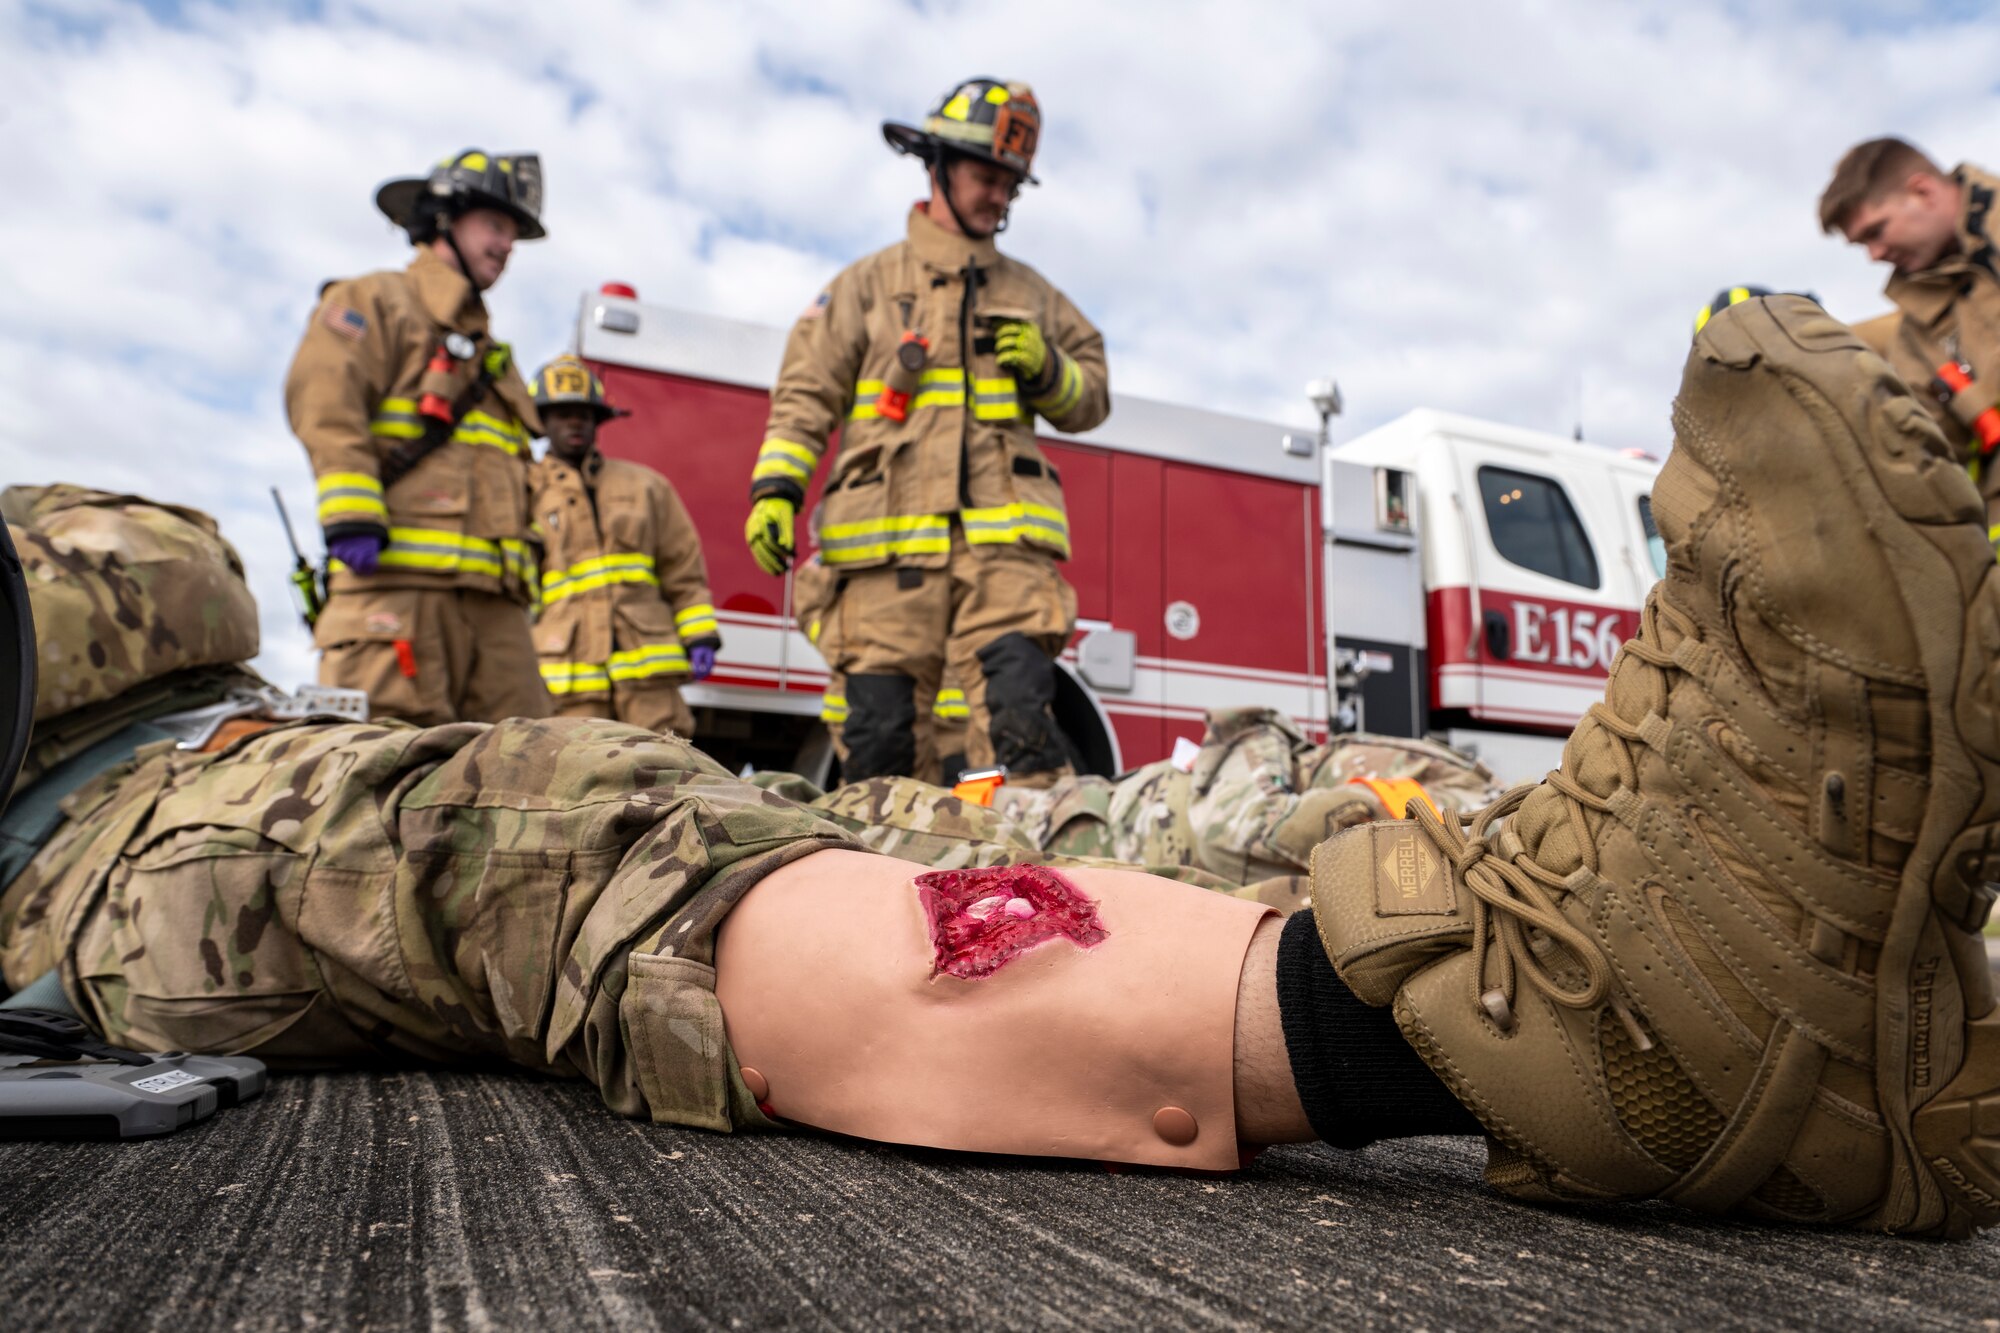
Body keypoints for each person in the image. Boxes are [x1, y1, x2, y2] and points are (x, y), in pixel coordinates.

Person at [5, 297, 2000, 1236]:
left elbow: (169, 561)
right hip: (108, 826)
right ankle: (1598, 1021)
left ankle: (1776, 959)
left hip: (276, 733)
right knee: (551, 860)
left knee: (949, 822)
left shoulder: (949, 325)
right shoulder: (466, 363)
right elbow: (168, 568)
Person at [742, 78, 1110, 788]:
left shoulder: (1034, 296)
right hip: (884, 558)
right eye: (987, 177)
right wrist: (777, 489)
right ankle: (875, 896)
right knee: (878, 749)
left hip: (1004, 558)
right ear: (936, 165)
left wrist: (1049, 367)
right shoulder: (865, 287)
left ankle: (1037, 895)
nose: (1000, 197)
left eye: (1012, 185)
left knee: (1025, 733)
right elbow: (804, 393)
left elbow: (1092, 394)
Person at [285, 149, 551, 725]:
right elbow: (325, 400)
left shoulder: (493, 356)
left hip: (497, 611)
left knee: (526, 783)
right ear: (444, 220)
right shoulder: (374, 301)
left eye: (514, 234)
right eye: (496, 225)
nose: (507, 246)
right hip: (395, 594)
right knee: (382, 786)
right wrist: (351, 509)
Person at [785, 708, 1504, 913]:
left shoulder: (1472, 829)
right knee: (844, 820)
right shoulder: (1474, 805)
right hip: (1082, 816)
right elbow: (1244, 829)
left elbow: (1246, 832)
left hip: (1075, 837)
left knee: (851, 840)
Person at [1820, 138, 2000, 553]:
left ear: (1922, 191)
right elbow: (1932, 455)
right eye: (1862, 244)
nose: (1875, 254)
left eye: (1876, 231)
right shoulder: (1917, 337)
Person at [529, 354, 720, 738]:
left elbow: (681, 567)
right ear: (541, 421)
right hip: (568, 682)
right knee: (570, 786)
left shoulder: (646, 486)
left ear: (598, 420)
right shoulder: (524, 490)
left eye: (584, 413)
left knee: (665, 781)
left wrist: (700, 634)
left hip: (649, 682)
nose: (574, 422)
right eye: (563, 413)